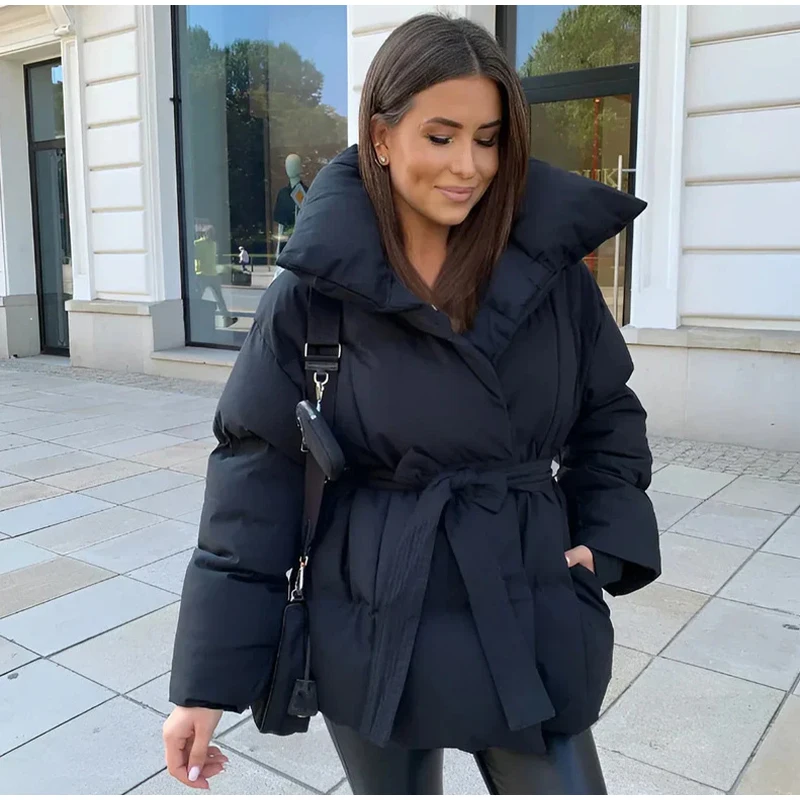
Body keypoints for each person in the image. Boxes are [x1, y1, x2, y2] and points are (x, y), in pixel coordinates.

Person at [164, 13, 660, 795]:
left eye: (488, 139)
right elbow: (254, 475)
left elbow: (609, 415)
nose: (469, 165)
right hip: (372, 615)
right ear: (382, 137)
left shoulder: (553, 275)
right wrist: (204, 684)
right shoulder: (314, 293)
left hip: (524, 600)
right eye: (441, 136)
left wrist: (603, 537)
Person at [192, 226, 237, 329]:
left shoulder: (207, 244)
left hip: (209, 274)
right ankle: (225, 318)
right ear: (206, 233)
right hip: (204, 274)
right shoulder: (203, 244)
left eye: (213, 233)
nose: (212, 235)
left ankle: (226, 318)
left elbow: (197, 257)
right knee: (204, 297)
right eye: (210, 233)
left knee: (215, 297)